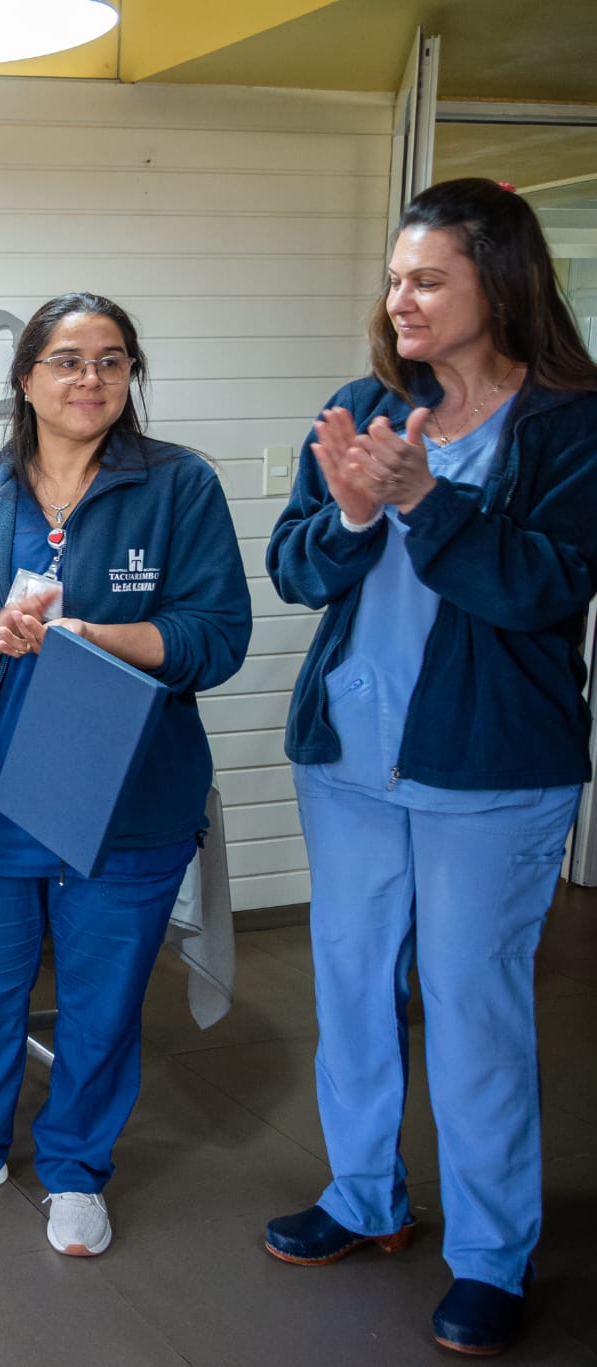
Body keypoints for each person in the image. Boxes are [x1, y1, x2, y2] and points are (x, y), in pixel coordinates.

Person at [263, 179, 597, 1357]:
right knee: (349, 987)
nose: (397, 298)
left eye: (425, 279)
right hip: (349, 756)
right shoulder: (360, 404)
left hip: (490, 773)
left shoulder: (568, 423)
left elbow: (544, 588)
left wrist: (423, 500)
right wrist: (351, 516)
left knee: (470, 1008)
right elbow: (295, 569)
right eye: (393, 278)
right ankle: (364, 1196)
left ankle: (490, 1253)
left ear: (495, 285)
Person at [0, 292, 250, 1258]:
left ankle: (78, 1169)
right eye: (67, 359)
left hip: (126, 803)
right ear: (25, 378)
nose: (89, 378)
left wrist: (100, 639)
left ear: (131, 376)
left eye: (112, 360)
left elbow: (218, 637)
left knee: (101, 1001)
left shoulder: (179, 488)